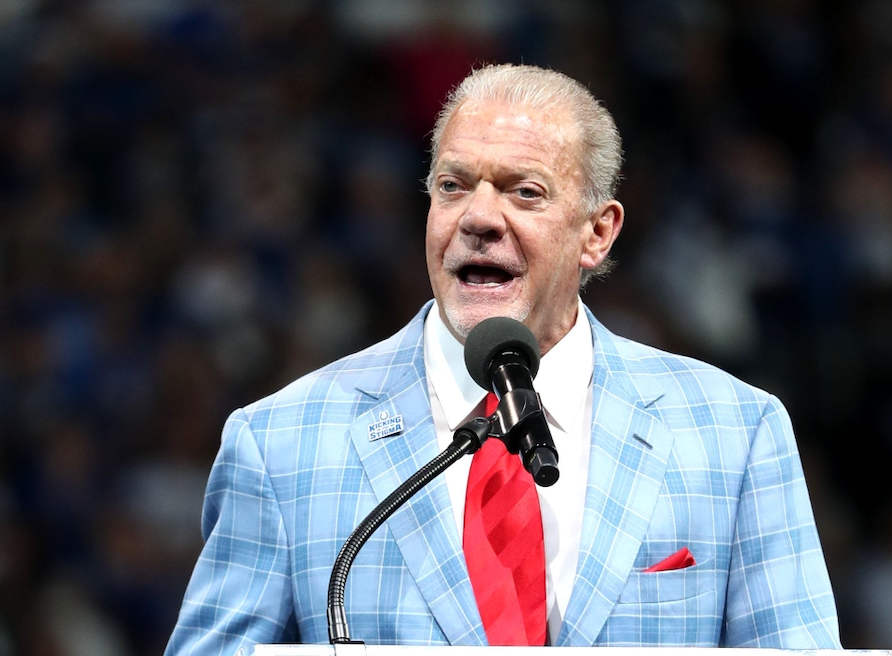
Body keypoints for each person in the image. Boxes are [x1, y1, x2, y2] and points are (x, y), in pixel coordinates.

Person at [164, 64, 840, 655]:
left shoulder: (735, 433)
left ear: (596, 234)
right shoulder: (281, 445)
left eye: (525, 191)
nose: (478, 218)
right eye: (454, 186)